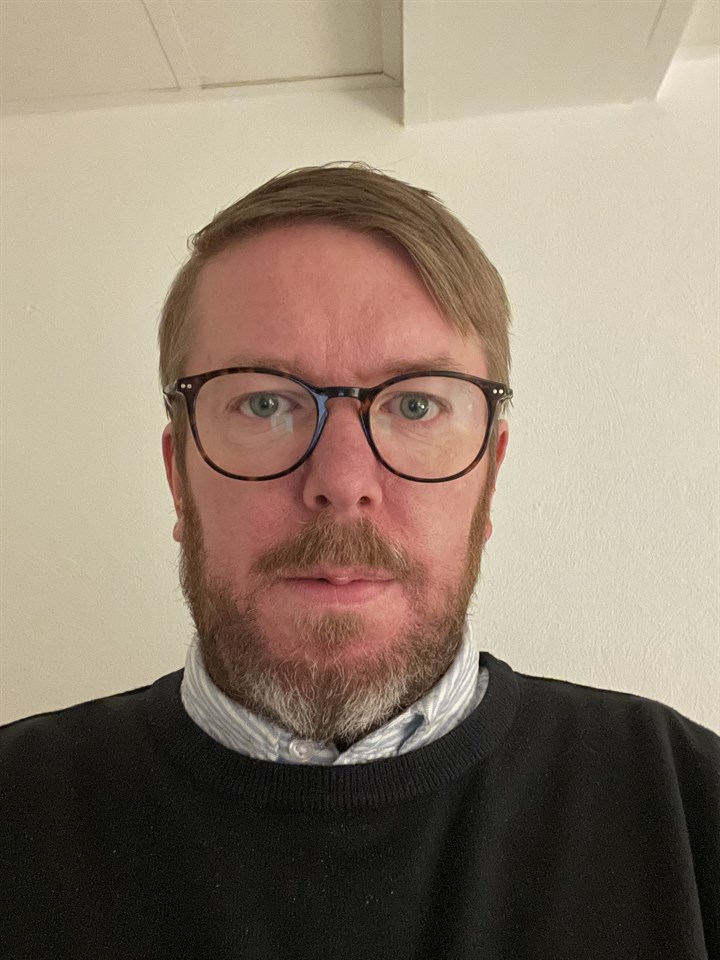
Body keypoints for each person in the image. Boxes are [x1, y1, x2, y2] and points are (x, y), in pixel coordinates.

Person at [1, 163, 717, 960]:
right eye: (264, 402)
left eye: (415, 404)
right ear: (180, 476)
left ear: (489, 474)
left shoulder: (691, 810)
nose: (342, 483)